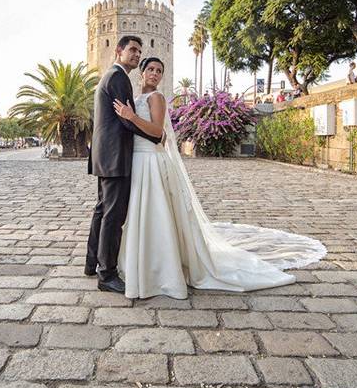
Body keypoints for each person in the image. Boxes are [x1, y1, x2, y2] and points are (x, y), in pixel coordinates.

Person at [109, 57, 326, 299]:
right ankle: (141, 263)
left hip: (150, 161)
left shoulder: (156, 98)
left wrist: (131, 116)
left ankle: (160, 270)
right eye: (150, 69)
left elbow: (158, 132)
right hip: (138, 161)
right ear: (142, 73)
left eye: (159, 71)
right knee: (141, 214)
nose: (155, 74)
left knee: (154, 213)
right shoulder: (137, 98)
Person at [86, 35, 163, 294]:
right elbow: (126, 120)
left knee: (102, 210)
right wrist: (154, 135)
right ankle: (106, 275)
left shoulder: (110, 76)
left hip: (105, 155)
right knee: (113, 215)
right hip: (115, 155)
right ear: (118, 51)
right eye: (132, 49)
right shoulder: (118, 78)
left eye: (139, 51)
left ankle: (91, 263)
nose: (136, 55)